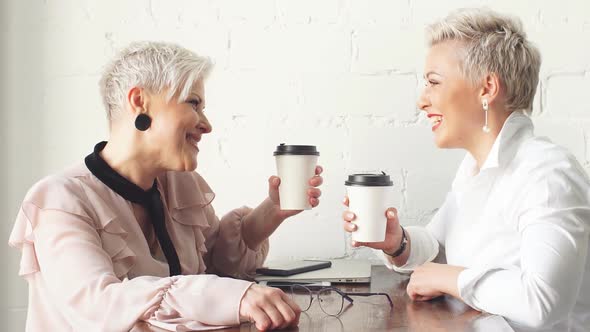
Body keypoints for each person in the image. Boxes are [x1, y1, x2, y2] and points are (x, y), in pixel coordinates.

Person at [9, 41, 324, 332]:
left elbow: (215, 264)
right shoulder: (59, 200)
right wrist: (231, 296)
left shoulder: (181, 185)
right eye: (194, 103)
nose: (206, 123)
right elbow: (100, 306)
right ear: (139, 101)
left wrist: (271, 211)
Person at [342, 8, 590, 332]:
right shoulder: (473, 169)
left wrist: (452, 279)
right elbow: (436, 246)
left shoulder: (547, 175)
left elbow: (542, 301)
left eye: (433, 82)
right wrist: (397, 243)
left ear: (486, 88)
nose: (422, 101)